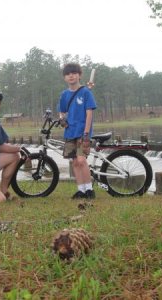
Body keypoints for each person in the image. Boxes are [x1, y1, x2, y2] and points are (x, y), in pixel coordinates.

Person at [58, 63, 97, 200]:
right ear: (65, 78)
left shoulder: (86, 92)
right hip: (70, 133)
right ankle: (81, 190)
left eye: (74, 73)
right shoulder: (64, 95)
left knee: (81, 160)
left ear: (79, 75)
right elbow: (61, 112)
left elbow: (89, 114)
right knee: (74, 162)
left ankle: (89, 190)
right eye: (68, 74)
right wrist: (63, 121)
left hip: (82, 133)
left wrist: (86, 133)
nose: (71, 76)